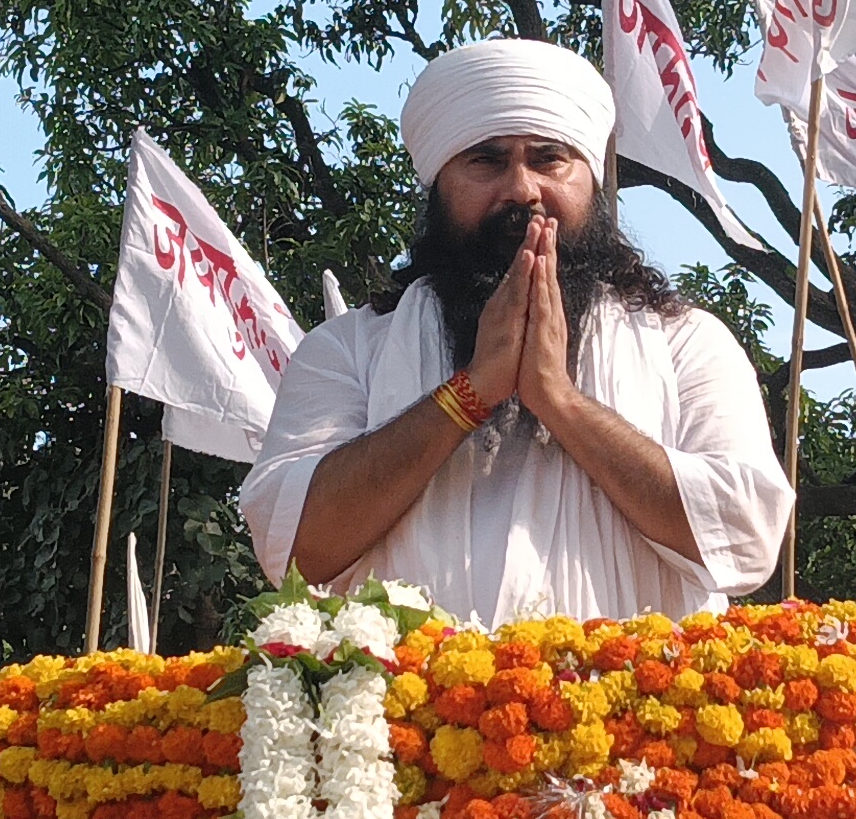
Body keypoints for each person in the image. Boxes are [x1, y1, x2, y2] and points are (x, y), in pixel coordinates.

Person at [241, 38, 795, 624]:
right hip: (407, 712)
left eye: (548, 158)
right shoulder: (350, 349)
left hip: (636, 709)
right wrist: (471, 392)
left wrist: (557, 399)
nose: (522, 190)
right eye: (486, 160)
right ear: (438, 186)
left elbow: (745, 537)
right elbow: (296, 547)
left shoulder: (685, 342)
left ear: (593, 182)